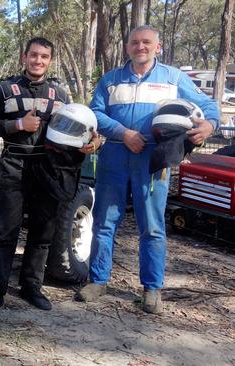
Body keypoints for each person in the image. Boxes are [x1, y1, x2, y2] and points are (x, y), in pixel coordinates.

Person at [76, 25, 219, 314]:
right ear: (127, 47)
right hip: (114, 159)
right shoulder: (111, 80)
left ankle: (152, 288)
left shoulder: (174, 78)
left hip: (153, 163)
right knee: (104, 223)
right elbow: (96, 113)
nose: (140, 47)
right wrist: (123, 133)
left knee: (152, 227)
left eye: (146, 42)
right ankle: (98, 280)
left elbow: (207, 105)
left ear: (158, 47)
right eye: (134, 43)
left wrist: (209, 125)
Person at [0, 37, 100, 314]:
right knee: (6, 233)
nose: (38, 60)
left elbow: (77, 131)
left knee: (43, 233)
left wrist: (91, 144)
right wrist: (19, 123)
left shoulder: (60, 95)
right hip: (14, 168)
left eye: (44, 56)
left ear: (50, 60)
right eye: (33, 55)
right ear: (24, 56)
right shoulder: (3, 90)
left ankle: (31, 287)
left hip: (49, 172)